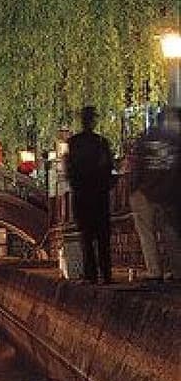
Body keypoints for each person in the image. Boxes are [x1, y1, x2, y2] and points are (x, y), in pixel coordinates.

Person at [129, 108, 181, 281]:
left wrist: (135, 187)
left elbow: (136, 165)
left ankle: (154, 271)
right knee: (170, 233)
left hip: (144, 192)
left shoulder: (146, 138)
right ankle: (177, 270)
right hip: (168, 193)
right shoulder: (175, 141)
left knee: (146, 234)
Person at [65, 106, 115, 284]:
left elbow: (69, 171)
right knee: (102, 237)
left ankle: (91, 274)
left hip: (82, 195)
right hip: (99, 195)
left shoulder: (74, 143)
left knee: (86, 237)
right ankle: (106, 274)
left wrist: (77, 185)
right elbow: (109, 168)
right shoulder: (102, 143)